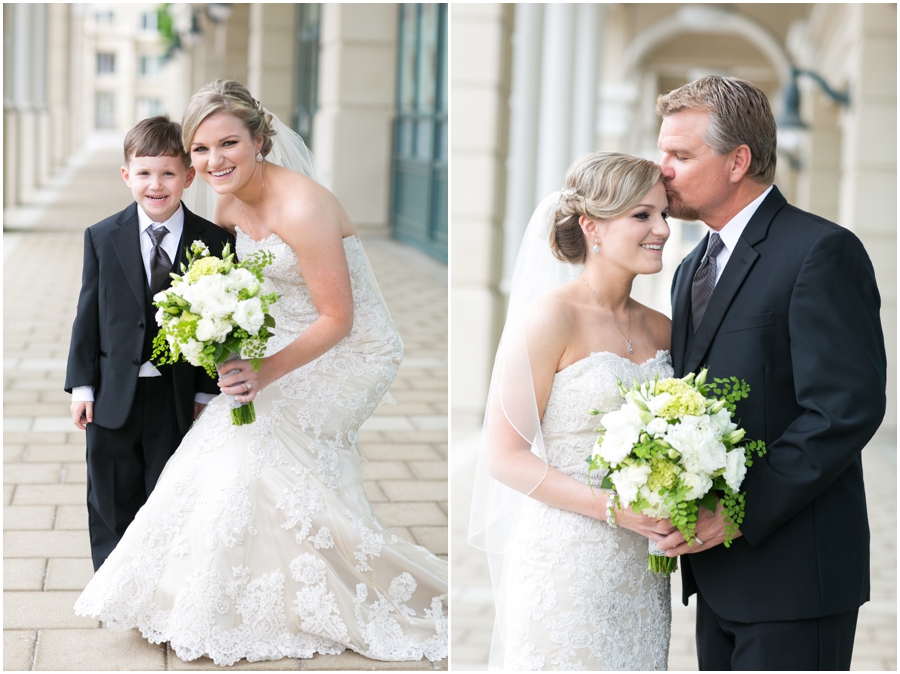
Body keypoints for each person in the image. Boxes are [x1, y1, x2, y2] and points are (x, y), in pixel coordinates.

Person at [75, 80, 448, 667]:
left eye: (228, 144)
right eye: (199, 149)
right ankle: (211, 592)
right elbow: (226, 292)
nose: (213, 160)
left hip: (348, 352)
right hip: (273, 339)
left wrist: (262, 371)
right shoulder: (223, 203)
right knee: (220, 446)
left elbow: (340, 319)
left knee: (251, 453)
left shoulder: (303, 206)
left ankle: (303, 594)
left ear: (261, 140)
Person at [655, 76, 886, 670]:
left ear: (738, 161)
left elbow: (843, 409)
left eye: (680, 156)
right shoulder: (689, 268)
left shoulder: (822, 251)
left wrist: (735, 511)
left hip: (795, 579)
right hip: (719, 578)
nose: (663, 172)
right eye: (663, 154)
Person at [469, 152, 676, 670]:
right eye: (642, 215)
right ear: (592, 227)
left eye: (664, 214)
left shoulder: (663, 328)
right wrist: (614, 508)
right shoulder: (549, 319)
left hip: (641, 568)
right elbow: (505, 456)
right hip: (566, 557)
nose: (663, 230)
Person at [65, 115, 234, 572]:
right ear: (127, 176)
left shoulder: (214, 241)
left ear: (188, 176)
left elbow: (218, 327)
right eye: (144, 173)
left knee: (171, 489)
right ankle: (114, 582)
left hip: (176, 395)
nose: (155, 185)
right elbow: (88, 315)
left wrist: (205, 391)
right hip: (113, 391)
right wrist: (82, 387)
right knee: (110, 491)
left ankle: (164, 582)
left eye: (167, 173)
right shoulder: (102, 237)